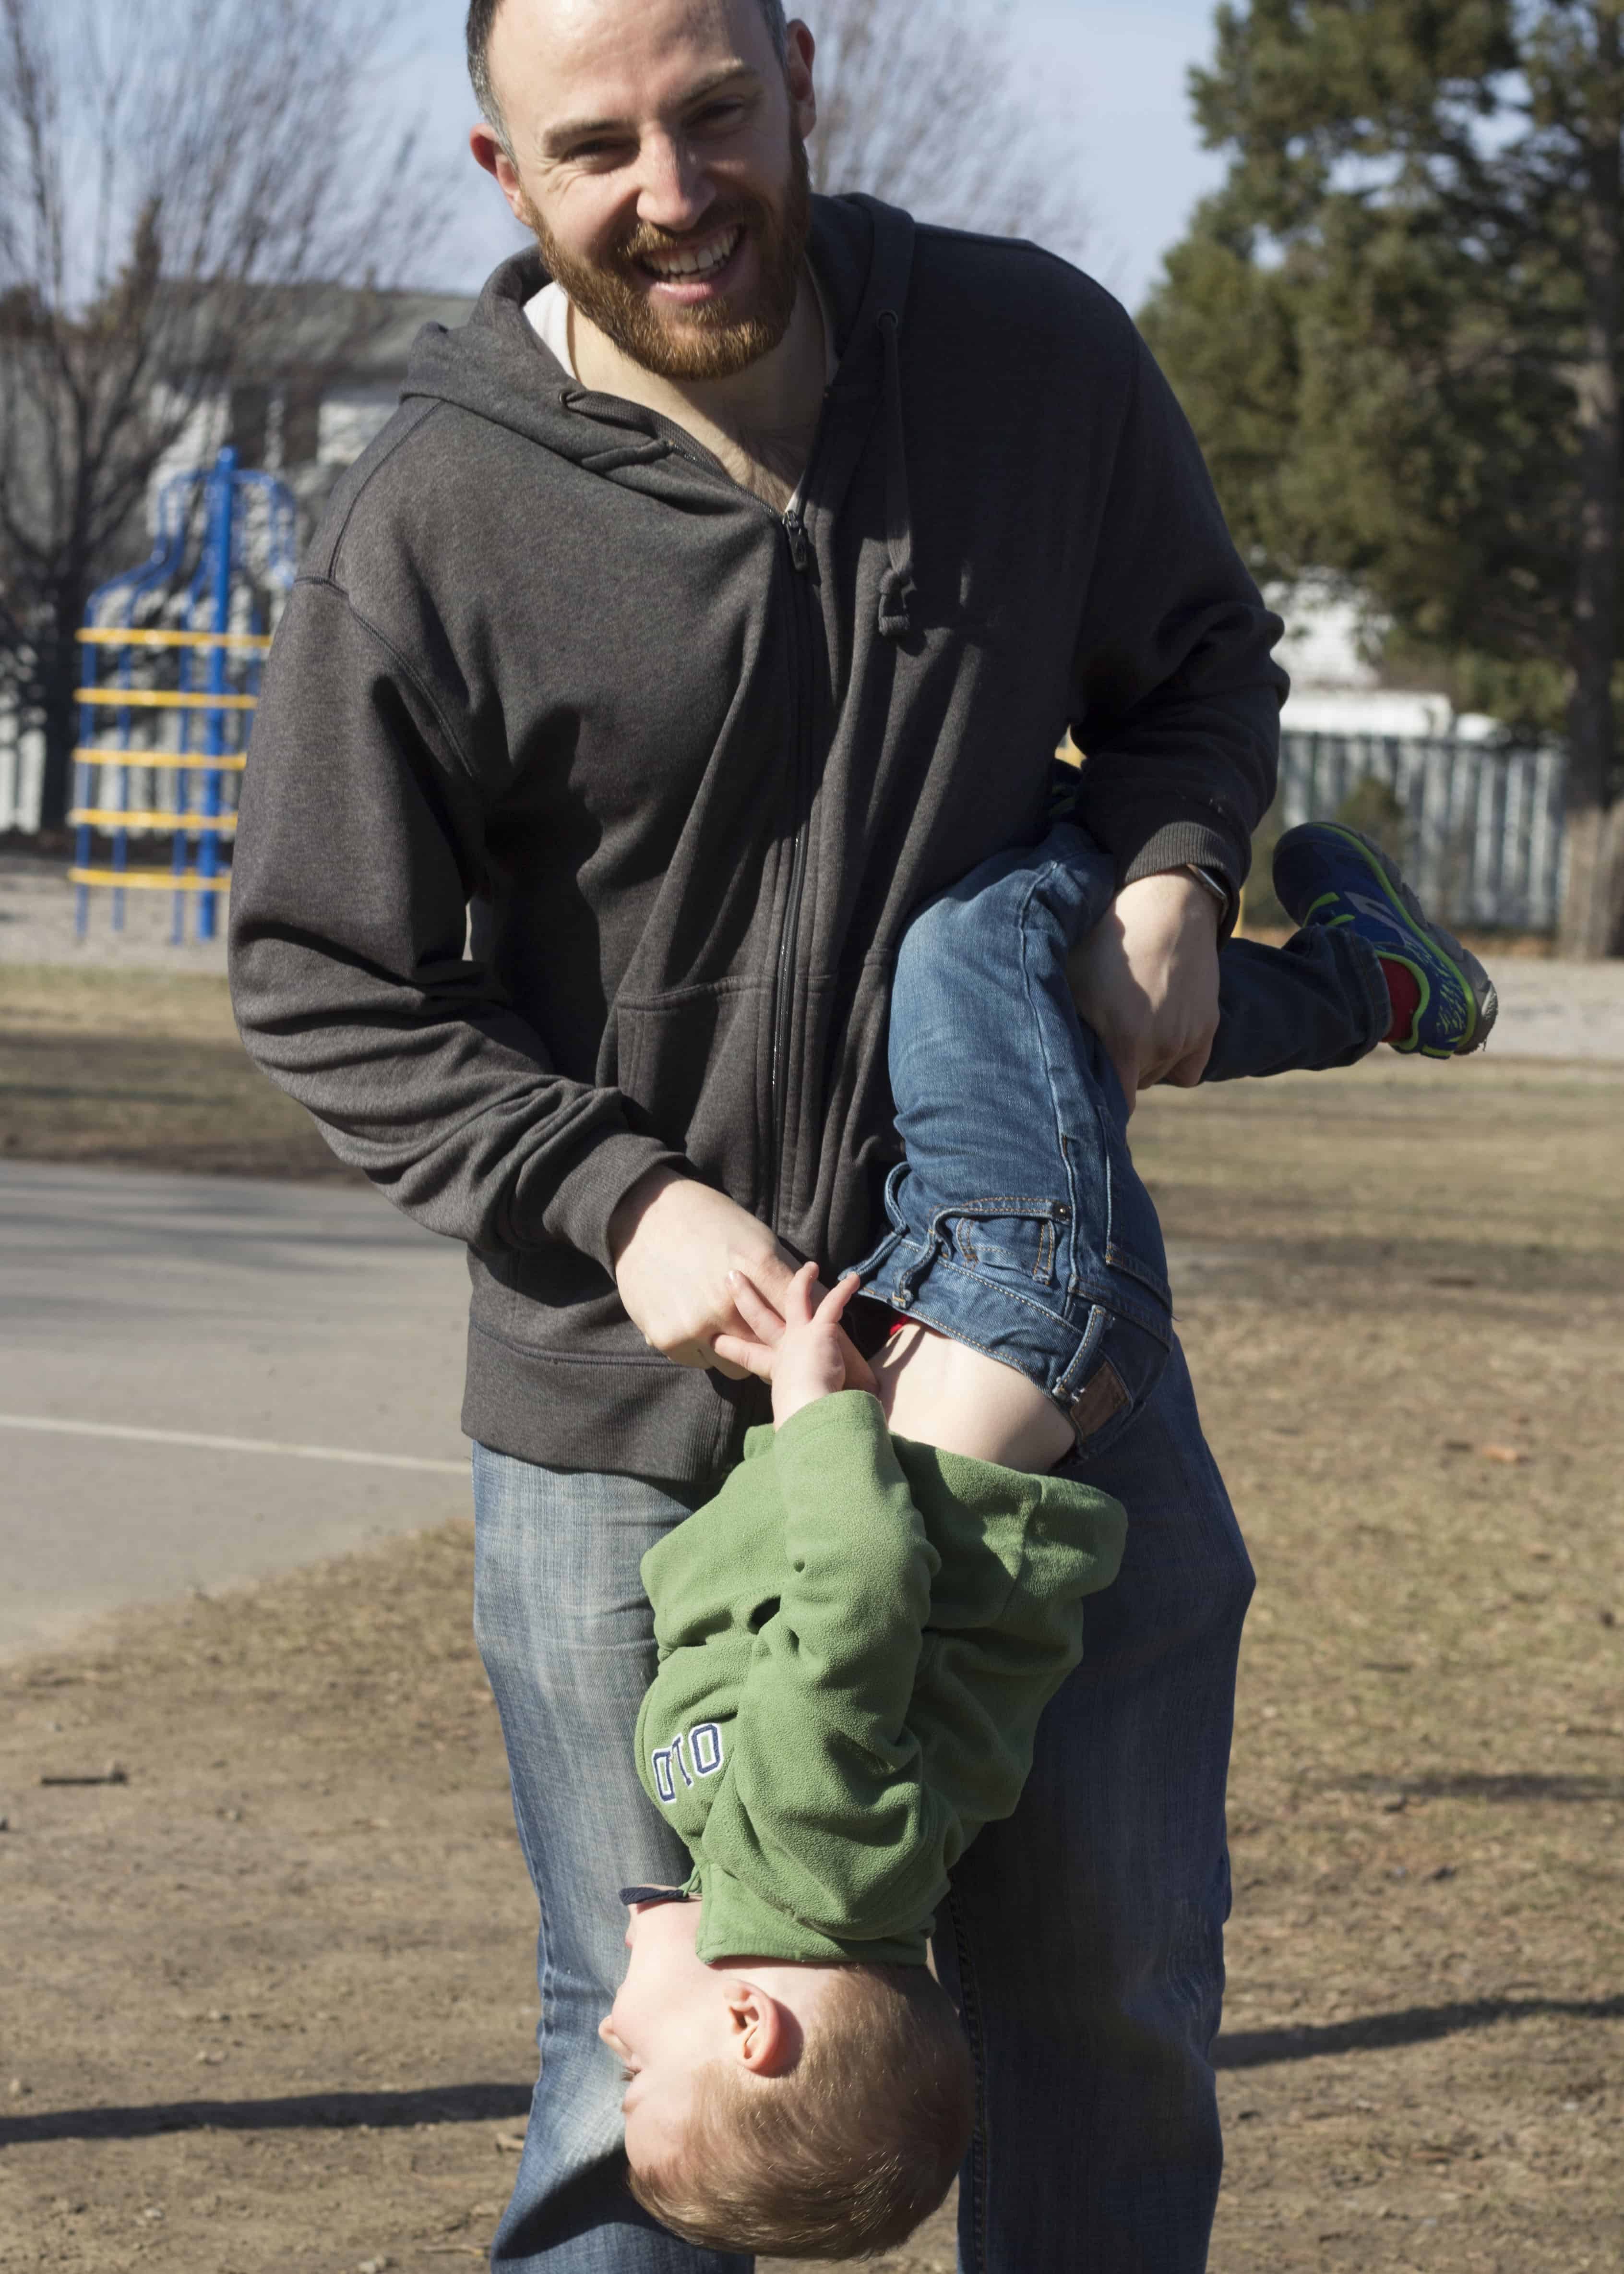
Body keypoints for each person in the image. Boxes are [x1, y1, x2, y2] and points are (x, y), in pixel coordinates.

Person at [227, 0, 1325, 2262]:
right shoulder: (429, 510)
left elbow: (1197, 668)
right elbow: (321, 966)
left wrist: (1173, 866)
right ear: (499, 172)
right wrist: (610, 1199)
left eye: (716, 111)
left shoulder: (1034, 362)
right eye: (599, 142)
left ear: (800, 77)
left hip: (1032, 1354)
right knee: (630, 2031)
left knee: (1107, 1993)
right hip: (623, 1409)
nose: (675, 186)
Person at [594, 818, 1497, 2260]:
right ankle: (1120, 822)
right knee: (966, 944)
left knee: (1085, 1022)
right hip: (1011, 1290)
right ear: (751, 2021)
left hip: (1007, 1318)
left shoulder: (818, 1877)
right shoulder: (816, 1857)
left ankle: (1366, 990)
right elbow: (861, 1593)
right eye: (638, 2069)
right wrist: (814, 1412)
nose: (607, 2032)